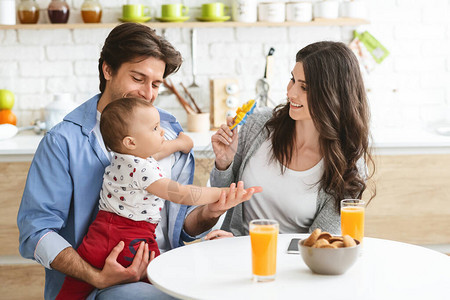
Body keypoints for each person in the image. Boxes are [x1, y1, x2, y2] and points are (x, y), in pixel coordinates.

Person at [17, 23, 259, 300]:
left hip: (166, 267)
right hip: (101, 283)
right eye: (137, 78)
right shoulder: (64, 141)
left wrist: (210, 213)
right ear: (108, 70)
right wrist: (95, 275)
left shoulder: (166, 131)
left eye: (156, 84)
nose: (147, 93)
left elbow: (176, 229)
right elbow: (35, 232)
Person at [56, 97, 260, 299]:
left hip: (104, 233)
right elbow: (181, 193)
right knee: (164, 280)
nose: (162, 131)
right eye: (154, 128)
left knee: (72, 291)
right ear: (131, 142)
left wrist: (181, 143)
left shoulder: (125, 157)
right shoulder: (140, 168)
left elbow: (157, 152)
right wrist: (224, 193)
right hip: (127, 237)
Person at [210, 41, 375, 238]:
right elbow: (220, 196)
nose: (291, 93)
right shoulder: (259, 126)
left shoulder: (348, 167)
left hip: (294, 264)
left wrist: (246, 246)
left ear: (332, 95)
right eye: (292, 80)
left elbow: (320, 244)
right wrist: (224, 162)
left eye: (304, 87)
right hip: (234, 252)